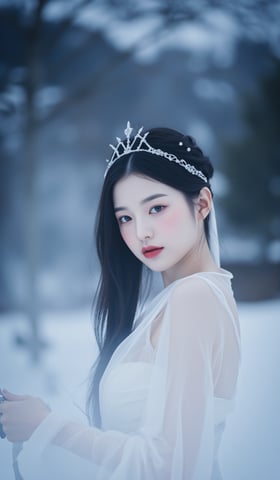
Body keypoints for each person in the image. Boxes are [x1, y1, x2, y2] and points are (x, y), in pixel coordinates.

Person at [0, 122, 241, 479]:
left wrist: (50, 429)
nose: (141, 231)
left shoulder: (196, 297)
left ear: (202, 203)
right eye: (125, 218)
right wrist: (43, 423)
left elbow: (167, 465)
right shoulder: (181, 301)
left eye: (156, 208)